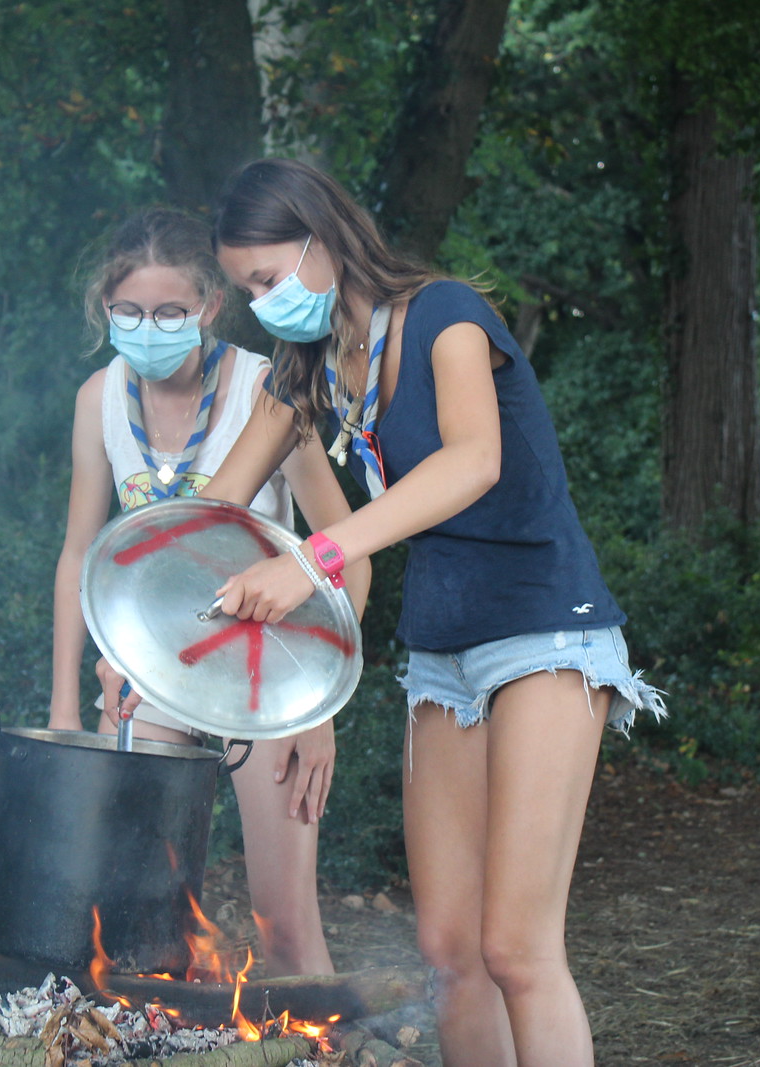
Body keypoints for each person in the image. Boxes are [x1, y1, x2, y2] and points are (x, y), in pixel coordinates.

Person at [144, 158, 667, 1066]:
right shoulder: (307, 367)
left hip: (545, 626)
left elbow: (473, 463)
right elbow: (216, 516)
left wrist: (315, 558)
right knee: (450, 952)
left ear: (322, 238)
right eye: (245, 290)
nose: (262, 303)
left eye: (267, 278)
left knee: (516, 948)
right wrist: (141, 638)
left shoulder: (447, 316)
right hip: (443, 651)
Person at [49, 207, 366, 977]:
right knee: (132, 922)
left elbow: (349, 551)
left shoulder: (270, 390)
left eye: (167, 312)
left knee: (285, 925)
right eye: (128, 312)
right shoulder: (99, 398)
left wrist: (320, 705)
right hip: (149, 675)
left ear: (209, 308)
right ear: (105, 308)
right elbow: (80, 554)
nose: (146, 327)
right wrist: (66, 706)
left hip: (270, 678)